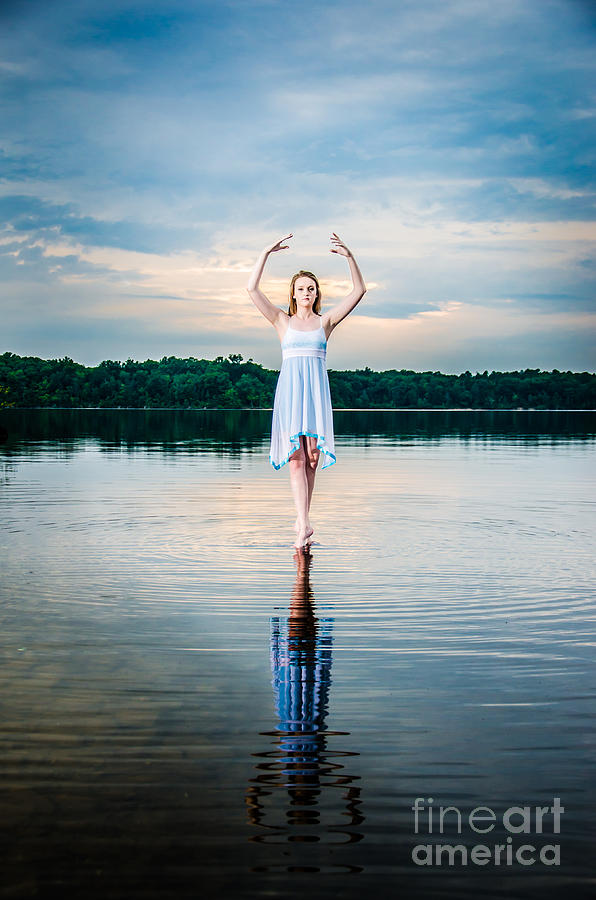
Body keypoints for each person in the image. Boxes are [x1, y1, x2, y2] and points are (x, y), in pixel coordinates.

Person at [247, 232, 366, 550]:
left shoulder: (325, 322)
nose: (306, 293)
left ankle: (302, 521)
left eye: (311, 288)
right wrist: (265, 253)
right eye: (301, 288)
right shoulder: (280, 321)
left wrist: (350, 257)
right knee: (296, 458)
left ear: (316, 294)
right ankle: (303, 524)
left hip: (314, 392)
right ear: (293, 293)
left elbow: (359, 290)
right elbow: (251, 289)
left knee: (312, 457)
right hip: (290, 391)